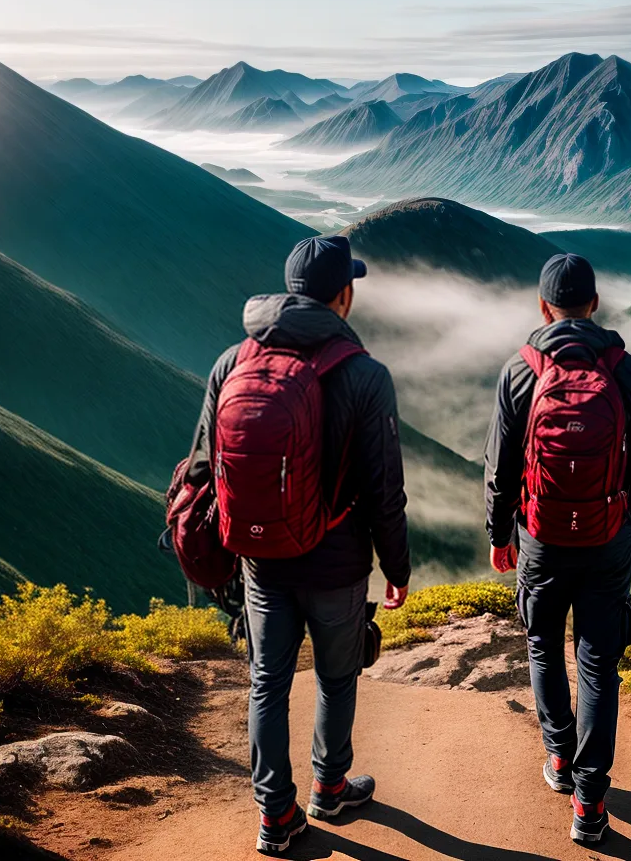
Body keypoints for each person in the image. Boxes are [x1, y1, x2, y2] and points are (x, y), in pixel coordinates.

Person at [187, 235, 410, 855]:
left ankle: (274, 816)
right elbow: (383, 488)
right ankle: (330, 787)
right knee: (337, 680)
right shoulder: (365, 375)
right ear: (344, 295)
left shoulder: (232, 363)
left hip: (261, 561)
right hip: (337, 561)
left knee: (268, 681)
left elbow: (205, 466)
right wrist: (397, 567)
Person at [484, 253, 631, 846]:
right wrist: (613, 505)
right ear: (595, 304)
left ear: (543, 308)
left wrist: (500, 534)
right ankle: (590, 802)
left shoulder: (519, 372)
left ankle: (559, 761)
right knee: (598, 662)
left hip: (540, 537)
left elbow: (500, 470)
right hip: (608, 540)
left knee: (542, 643)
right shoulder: (629, 372)